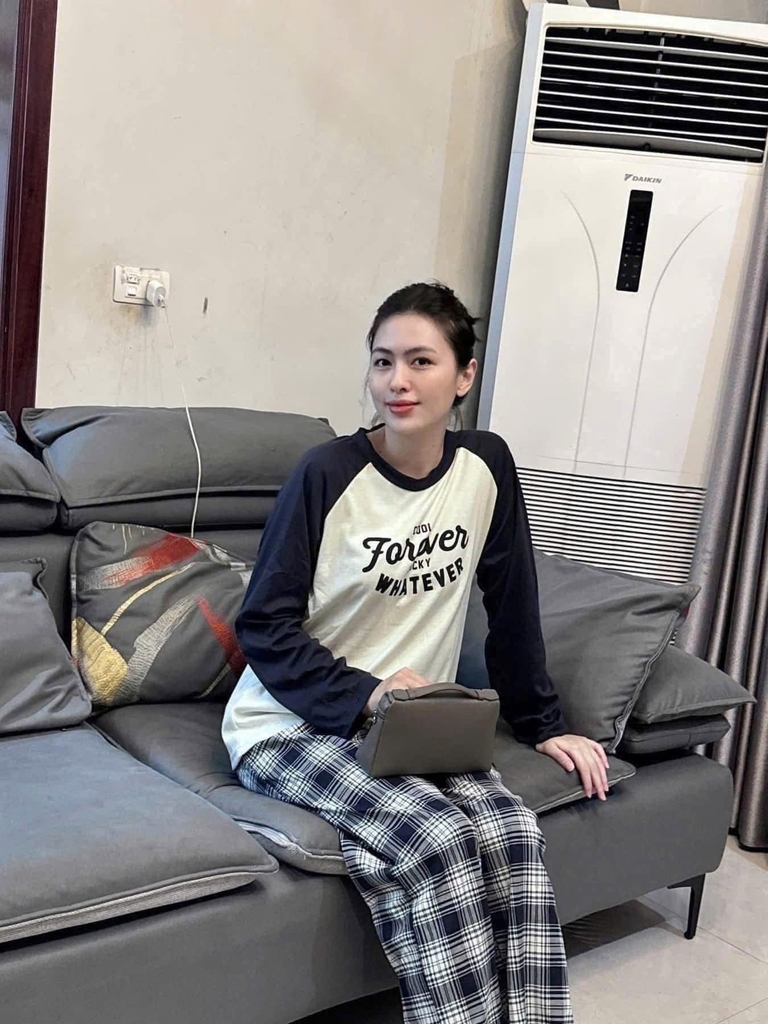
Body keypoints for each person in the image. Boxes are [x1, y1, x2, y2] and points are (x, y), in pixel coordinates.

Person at [222, 281, 609, 1024]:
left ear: (464, 376)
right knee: (436, 840)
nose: (397, 381)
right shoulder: (326, 473)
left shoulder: (485, 466)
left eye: (421, 361)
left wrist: (544, 724)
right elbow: (264, 626)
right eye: (383, 361)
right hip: (290, 725)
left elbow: (513, 601)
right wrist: (369, 692)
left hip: (417, 725)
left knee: (512, 831)